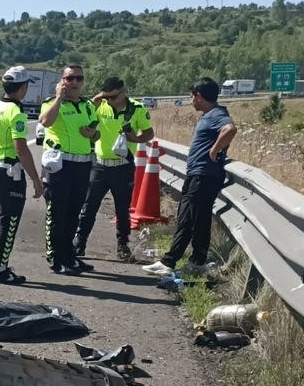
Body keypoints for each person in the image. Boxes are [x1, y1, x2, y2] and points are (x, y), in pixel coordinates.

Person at [143, 78, 237, 276]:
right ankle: (198, 261)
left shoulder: (217, 115)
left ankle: (169, 261)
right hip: (201, 174)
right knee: (200, 219)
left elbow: (230, 129)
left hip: (203, 175)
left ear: (199, 96)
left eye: (192, 96)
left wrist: (214, 150)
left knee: (187, 218)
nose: (191, 100)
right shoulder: (210, 115)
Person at [77, 77, 155, 262]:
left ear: (123, 92)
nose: (109, 101)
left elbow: (149, 133)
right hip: (100, 164)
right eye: (107, 97)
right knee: (89, 206)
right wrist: (98, 99)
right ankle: (79, 243)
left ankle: (122, 246)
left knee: (122, 209)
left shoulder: (137, 109)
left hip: (123, 166)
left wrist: (134, 139)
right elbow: (86, 119)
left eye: (113, 97)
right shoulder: (100, 105)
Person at [0, 66, 44, 284]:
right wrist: (35, 178)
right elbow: (21, 147)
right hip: (9, 171)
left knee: (2, 220)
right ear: (23, 87)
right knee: (10, 220)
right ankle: (0, 268)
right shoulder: (17, 112)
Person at [39, 64, 100, 275]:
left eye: (78, 78)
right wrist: (58, 98)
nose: (74, 82)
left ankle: (69, 255)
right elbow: (45, 122)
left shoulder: (88, 106)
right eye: (70, 78)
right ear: (62, 81)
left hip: (82, 164)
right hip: (60, 164)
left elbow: (97, 134)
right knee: (57, 212)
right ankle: (55, 257)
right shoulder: (51, 103)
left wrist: (92, 133)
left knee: (74, 212)